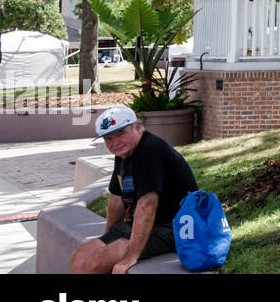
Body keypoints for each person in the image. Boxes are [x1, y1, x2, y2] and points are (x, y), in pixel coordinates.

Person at [69, 105, 198, 274]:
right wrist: (108, 238)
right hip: (149, 226)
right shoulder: (123, 153)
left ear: (137, 127)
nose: (115, 143)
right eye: (108, 138)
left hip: (177, 229)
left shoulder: (151, 150)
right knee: (80, 256)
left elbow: (147, 206)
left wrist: (130, 257)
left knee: (97, 263)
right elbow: (116, 199)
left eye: (121, 133)